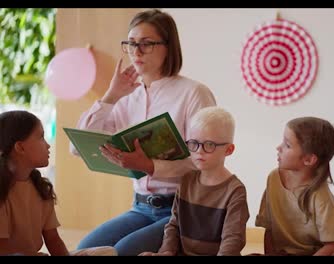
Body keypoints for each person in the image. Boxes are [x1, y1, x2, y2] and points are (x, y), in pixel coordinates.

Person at [73, 9, 216, 256]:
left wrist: (151, 166)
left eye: (146, 44)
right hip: (140, 207)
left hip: (185, 207)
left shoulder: (194, 93)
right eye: (131, 43)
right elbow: (78, 146)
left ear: (169, 47)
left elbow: (207, 160)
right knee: (86, 250)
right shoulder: (126, 98)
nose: (136, 51)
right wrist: (111, 96)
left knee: (123, 252)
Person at [0, 110, 116, 256]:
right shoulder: (2, 189)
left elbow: (53, 239)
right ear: (20, 147)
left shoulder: (40, 187)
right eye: (41, 137)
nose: (48, 145)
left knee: (107, 252)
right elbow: (2, 248)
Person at [139, 106, 249, 256]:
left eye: (209, 144)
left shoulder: (235, 190)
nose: (199, 151)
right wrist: (166, 252)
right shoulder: (187, 180)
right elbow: (173, 226)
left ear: (229, 150)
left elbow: (233, 239)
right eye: (194, 143)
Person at [254, 117, 334, 256]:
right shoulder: (273, 178)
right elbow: (270, 229)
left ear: (308, 159)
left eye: (287, 145)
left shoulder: (322, 198)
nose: (278, 148)